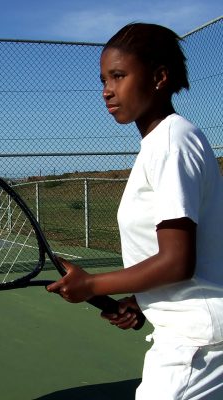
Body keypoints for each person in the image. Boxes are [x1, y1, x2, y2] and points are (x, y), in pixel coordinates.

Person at [47, 23, 223, 399]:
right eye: (103, 79)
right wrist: (140, 300)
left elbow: (178, 261)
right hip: (190, 336)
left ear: (159, 77)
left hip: (196, 343)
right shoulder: (163, 142)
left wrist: (91, 285)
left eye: (119, 76)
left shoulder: (171, 142)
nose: (107, 90)